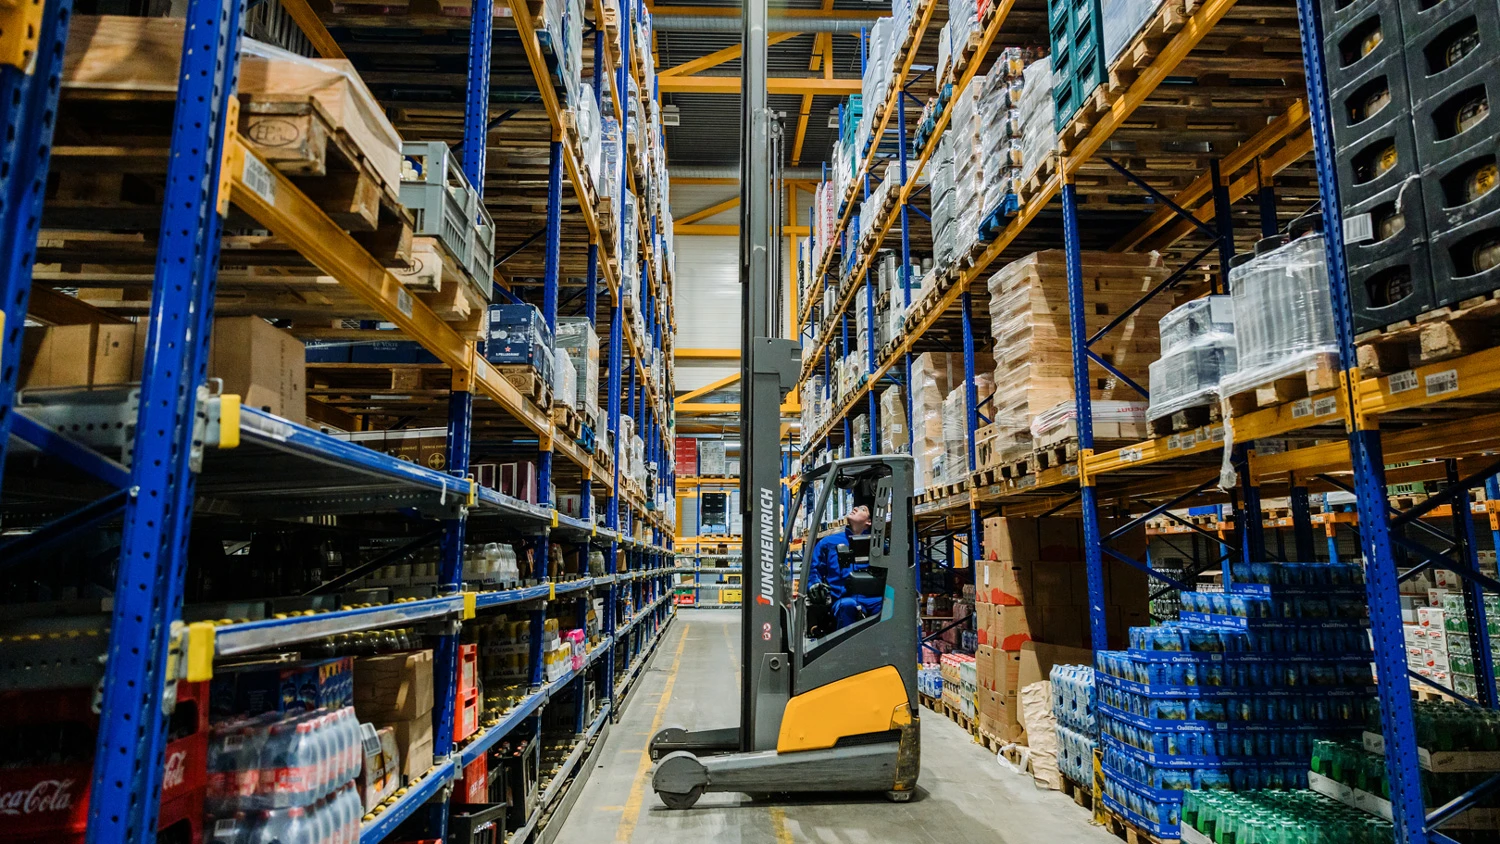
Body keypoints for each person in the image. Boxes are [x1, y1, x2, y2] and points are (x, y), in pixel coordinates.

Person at [808, 504, 882, 629]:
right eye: (856, 507)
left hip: (874, 599)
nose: (855, 509)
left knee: (889, 607)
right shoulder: (829, 543)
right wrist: (814, 584)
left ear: (869, 522)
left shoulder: (878, 545)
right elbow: (814, 570)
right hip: (843, 598)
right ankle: (847, 646)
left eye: (862, 509)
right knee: (847, 606)